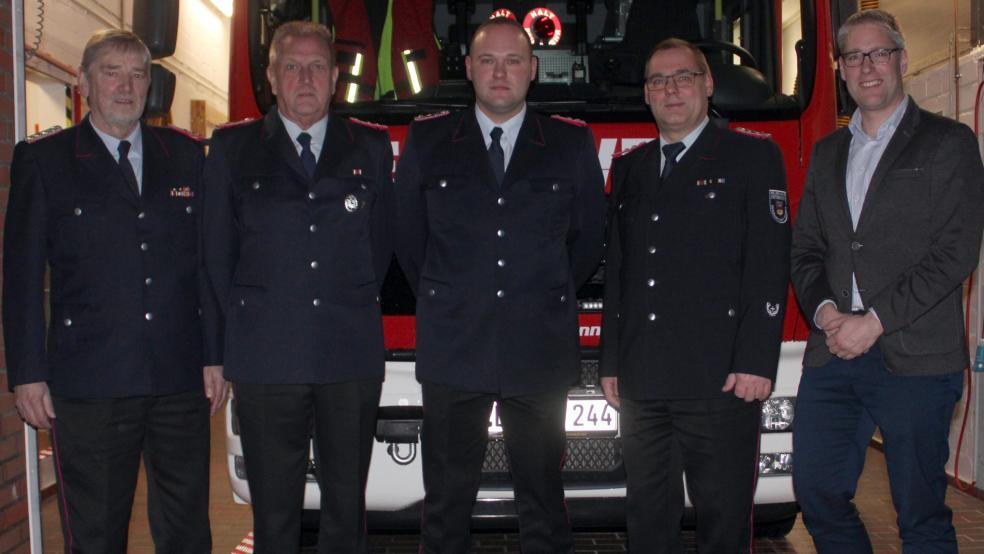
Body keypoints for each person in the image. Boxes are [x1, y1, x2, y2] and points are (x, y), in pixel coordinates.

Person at [2, 29, 224, 553]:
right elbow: (22, 277)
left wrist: (215, 355)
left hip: (177, 379)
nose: (126, 86)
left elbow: (207, 266)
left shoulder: (187, 157)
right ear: (82, 81)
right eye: (111, 72)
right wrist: (28, 373)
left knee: (188, 531)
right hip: (90, 384)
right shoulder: (46, 161)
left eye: (137, 74)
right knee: (98, 532)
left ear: (150, 86)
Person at [393, 17, 606, 553]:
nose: (500, 72)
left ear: (533, 71)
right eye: (487, 60)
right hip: (453, 349)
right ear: (467, 68)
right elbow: (408, 239)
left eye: (513, 61)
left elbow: (586, 243)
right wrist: (457, 295)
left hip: (537, 350)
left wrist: (537, 294)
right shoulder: (429, 139)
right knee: (444, 504)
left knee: (542, 503)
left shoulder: (570, 143)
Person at [790, 9, 984, 553]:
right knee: (818, 491)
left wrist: (873, 322)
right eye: (854, 56)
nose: (867, 66)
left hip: (916, 358)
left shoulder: (949, 143)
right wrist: (827, 314)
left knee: (919, 512)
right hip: (834, 357)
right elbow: (806, 249)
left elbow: (955, 253)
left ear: (901, 60)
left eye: (879, 53)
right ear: (841, 70)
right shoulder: (828, 153)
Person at [201, 21, 393, 553]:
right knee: (275, 516)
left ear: (335, 78)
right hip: (266, 360)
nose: (304, 78)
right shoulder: (233, 148)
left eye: (316, 67)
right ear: (271, 76)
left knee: (345, 511)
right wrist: (215, 354)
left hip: (348, 358)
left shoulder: (370, 148)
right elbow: (216, 258)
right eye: (291, 66)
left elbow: (380, 248)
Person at [599, 38, 790, 553]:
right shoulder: (631, 169)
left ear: (708, 84)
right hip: (644, 381)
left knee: (723, 522)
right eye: (658, 81)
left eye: (683, 76)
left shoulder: (752, 155)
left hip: (721, 380)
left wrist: (757, 361)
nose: (671, 89)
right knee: (647, 520)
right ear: (646, 94)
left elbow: (768, 267)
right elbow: (621, 271)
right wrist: (612, 360)